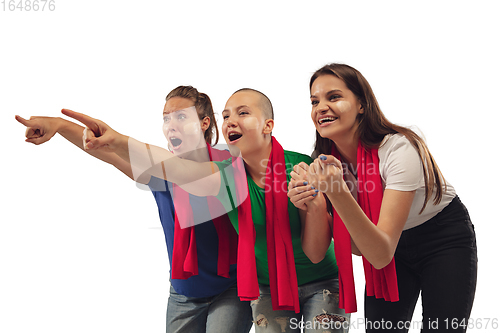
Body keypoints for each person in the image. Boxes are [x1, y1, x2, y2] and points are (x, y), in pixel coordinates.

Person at [59, 88, 350, 332]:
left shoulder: (298, 166)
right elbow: (168, 166)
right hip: (249, 288)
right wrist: (102, 136)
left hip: (305, 283)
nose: (231, 121)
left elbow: (315, 252)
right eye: (226, 116)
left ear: (268, 125)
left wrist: (313, 204)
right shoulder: (225, 174)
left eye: (242, 113)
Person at [16, 86, 253, 333]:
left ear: (204, 123)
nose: (171, 124)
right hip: (184, 291)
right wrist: (60, 125)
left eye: (181, 116)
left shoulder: (229, 161)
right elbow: (106, 152)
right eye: (166, 118)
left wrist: (116, 140)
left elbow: (179, 170)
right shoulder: (159, 168)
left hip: (231, 288)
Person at [289, 63, 477, 332]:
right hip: (387, 245)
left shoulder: (400, 148)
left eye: (334, 97)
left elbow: (378, 255)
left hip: (441, 236)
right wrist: (315, 206)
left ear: (362, 104)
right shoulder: (325, 166)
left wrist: (337, 191)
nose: (320, 107)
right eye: (314, 101)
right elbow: (343, 249)